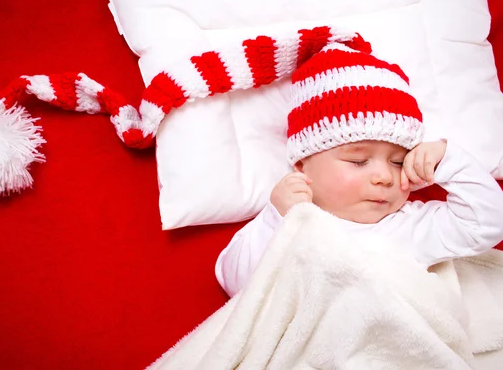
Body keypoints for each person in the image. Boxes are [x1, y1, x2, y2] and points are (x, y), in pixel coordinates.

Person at [215, 40, 503, 298]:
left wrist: (447, 160)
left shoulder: (411, 226)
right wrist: (278, 219)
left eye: (398, 162)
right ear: (303, 165)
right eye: (358, 161)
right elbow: (238, 284)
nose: (384, 176)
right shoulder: (289, 223)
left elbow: (488, 224)